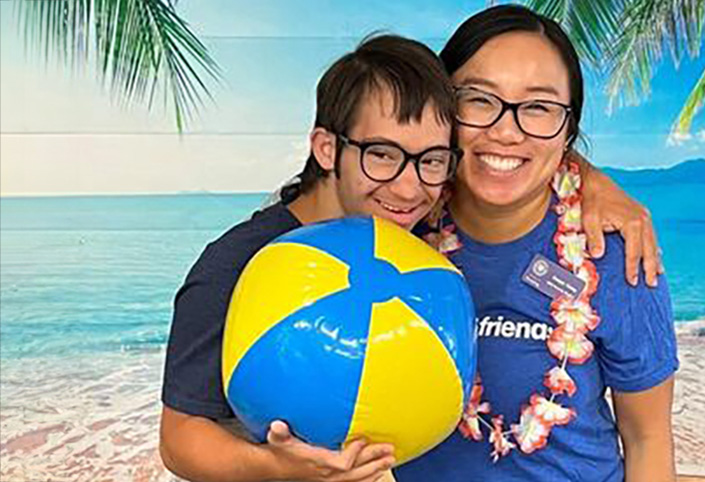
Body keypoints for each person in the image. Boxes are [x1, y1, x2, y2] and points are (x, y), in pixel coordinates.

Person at [159, 33, 662, 482]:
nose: (407, 185)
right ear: (327, 149)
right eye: (381, 154)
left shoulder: (412, 227)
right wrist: (277, 468)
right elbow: (178, 441)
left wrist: (591, 178)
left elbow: (510, 144)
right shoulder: (243, 261)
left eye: (431, 160)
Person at [394, 6, 678, 482]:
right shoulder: (397, 227)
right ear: (442, 109)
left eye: (539, 107)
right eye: (479, 100)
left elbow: (648, 440)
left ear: (568, 130)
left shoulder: (615, 252)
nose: (506, 131)